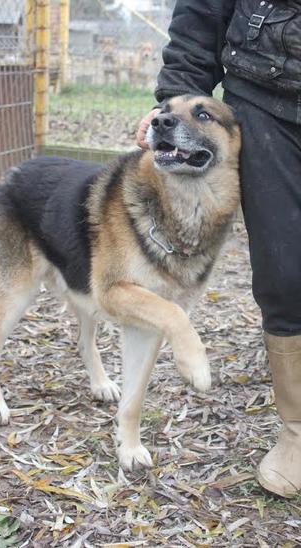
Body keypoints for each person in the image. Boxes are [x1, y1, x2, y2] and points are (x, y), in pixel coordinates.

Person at [137, 0, 301, 498]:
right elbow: (202, 12)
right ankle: (297, 432)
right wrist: (175, 98)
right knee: (284, 269)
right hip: (267, 96)